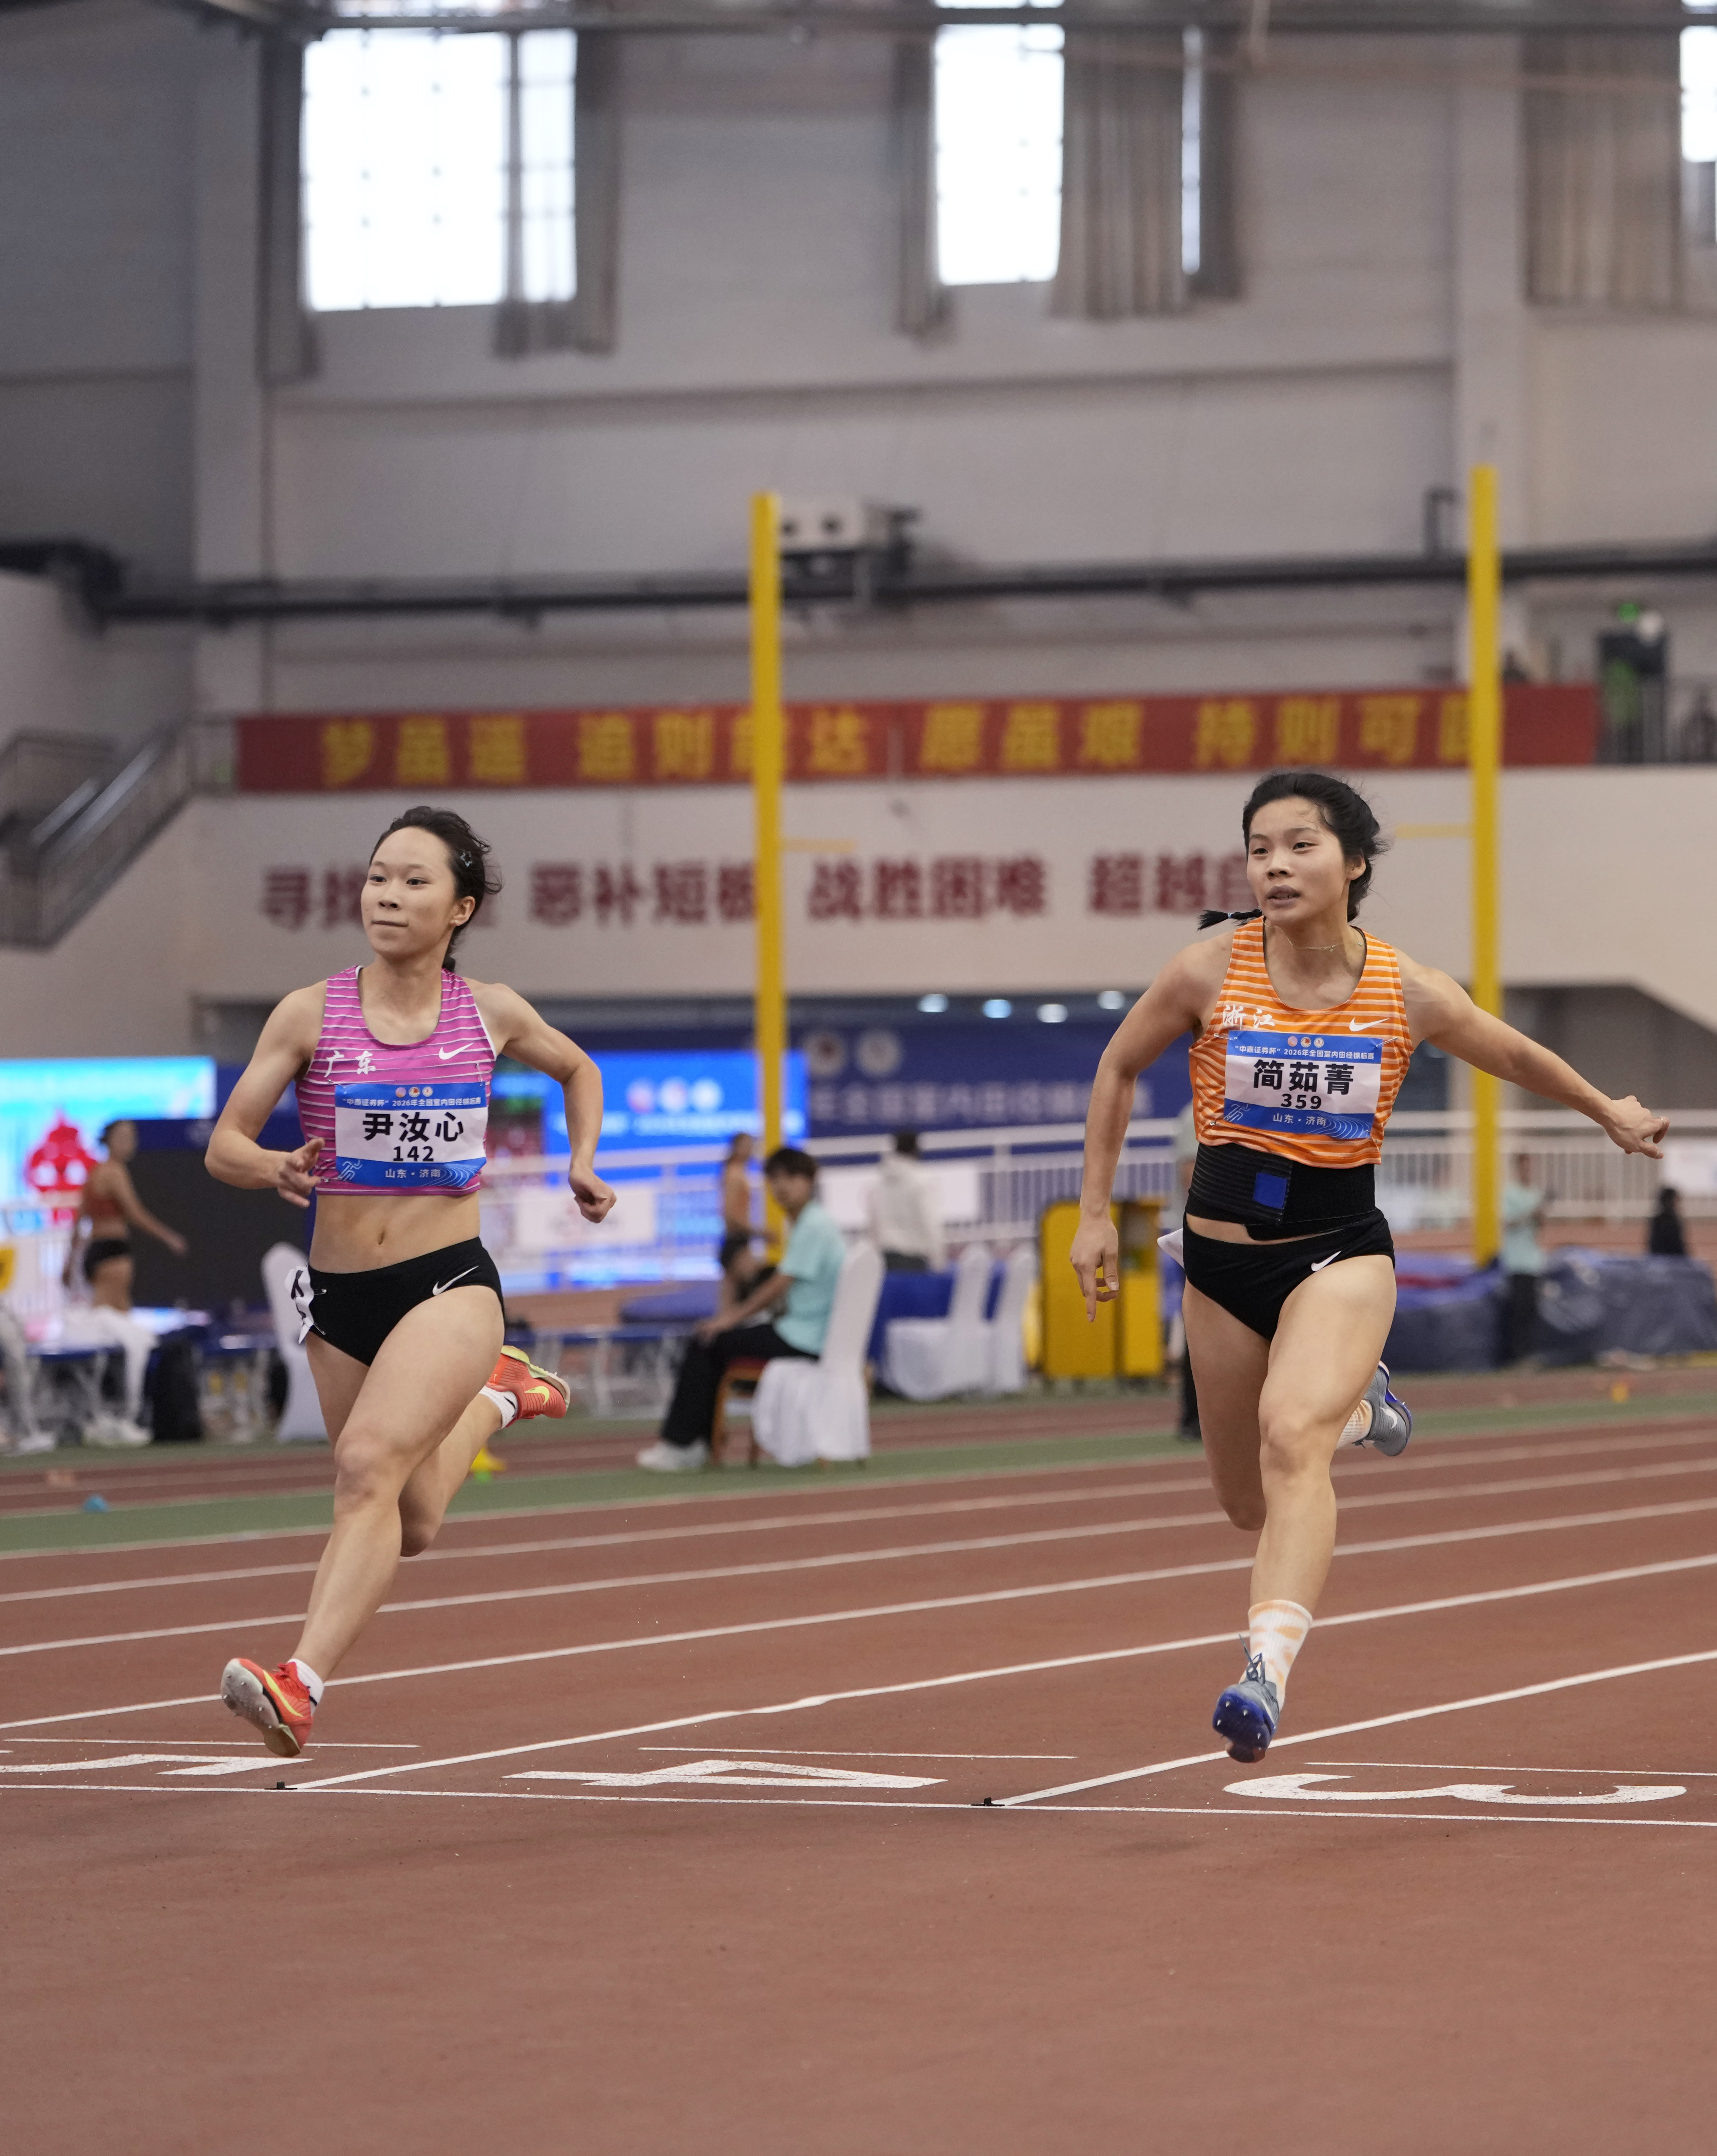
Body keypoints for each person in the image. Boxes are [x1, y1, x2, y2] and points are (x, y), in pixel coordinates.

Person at [1071, 768, 1666, 1765]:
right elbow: (1117, 1066)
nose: (1273, 865)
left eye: (1298, 845)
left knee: (1289, 1432)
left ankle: (1262, 1671)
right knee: (1245, 1501)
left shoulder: (1406, 988)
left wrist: (1605, 1108)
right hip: (1218, 1263)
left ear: (1352, 862)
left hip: (1337, 1253)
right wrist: (1094, 1212)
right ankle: (1360, 1407)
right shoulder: (1206, 968)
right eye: (1258, 848)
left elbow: (1512, 1054)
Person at [205, 805, 614, 1757]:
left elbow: (578, 1067)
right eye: (378, 876)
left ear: (460, 907)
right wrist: (271, 1165)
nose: (387, 895)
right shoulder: (309, 1012)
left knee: (363, 1468)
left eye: (414, 881)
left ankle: (299, 1683)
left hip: (447, 1282)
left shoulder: (491, 1011)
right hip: (340, 1296)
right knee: (413, 1516)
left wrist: (582, 1159)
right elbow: (225, 1143)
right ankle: (500, 1396)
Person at [637, 1145, 844, 1471]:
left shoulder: (813, 1226)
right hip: (805, 1333)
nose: (782, 1186)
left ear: (809, 1181)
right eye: (775, 1178)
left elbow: (778, 1286)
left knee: (707, 1342)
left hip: (801, 1339)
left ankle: (682, 1444)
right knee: (717, 1343)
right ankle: (698, 1441)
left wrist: (729, 1318)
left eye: (792, 1177)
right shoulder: (813, 1223)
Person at [62, 1118, 189, 1311]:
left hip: (94, 1252)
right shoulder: (115, 1172)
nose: (129, 1144)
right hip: (113, 1254)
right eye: (123, 1138)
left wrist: (69, 1262)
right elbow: (135, 1213)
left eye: (131, 1138)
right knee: (109, 1317)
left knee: (116, 1312)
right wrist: (169, 1238)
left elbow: (78, 1222)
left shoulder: (94, 1172)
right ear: (109, 1141)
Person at [868, 1130, 946, 1273]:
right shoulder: (922, 1181)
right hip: (914, 1260)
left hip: (885, 1258)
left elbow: (874, 1219)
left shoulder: (882, 1181)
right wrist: (939, 1260)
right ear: (916, 1149)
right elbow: (929, 1221)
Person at [1501, 1154, 1547, 1365]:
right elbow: (1508, 1223)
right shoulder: (1510, 1194)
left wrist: (1540, 1216)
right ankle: (1516, 1356)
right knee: (1517, 1311)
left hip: (1533, 1261)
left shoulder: (1534, 1194)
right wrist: (1530, 1213)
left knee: (1531, 1310)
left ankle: (1528, 1354)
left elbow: (1539, 1228)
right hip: (1516, 1261)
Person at [717, 1131, 758, 1310]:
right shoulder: (734, 1174)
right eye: (747, 1146)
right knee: (751, 1296)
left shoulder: (739, 1172)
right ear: (737, 1148)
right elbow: (730, 1215)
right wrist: (759, 1232)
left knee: (731, 1303)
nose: (751, 1150)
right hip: (736, 1240)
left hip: (739, 1240)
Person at [1649, 1186, 1688, 1258]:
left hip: (1657, 1258)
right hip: (1671, 1259)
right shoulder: (1673, 1221)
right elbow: (1677, 1247)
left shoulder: (1656, 1220)